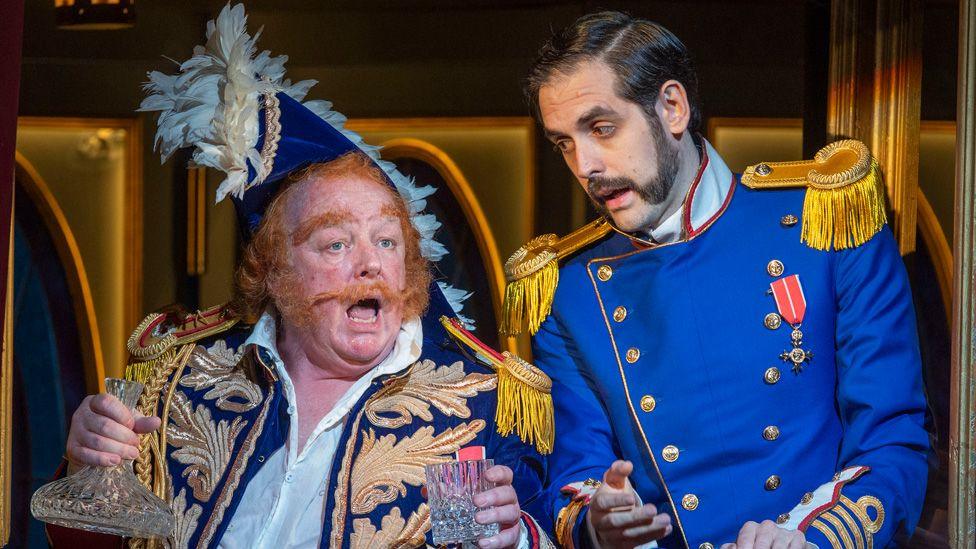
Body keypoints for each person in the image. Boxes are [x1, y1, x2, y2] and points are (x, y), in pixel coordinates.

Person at [49, 4, 554, 548]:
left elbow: (511, 532)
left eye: (388, 241)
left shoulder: (482, 402)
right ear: (274, 271)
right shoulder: (180, 381)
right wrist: (83, 471)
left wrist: (515, 539)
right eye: (336, 243)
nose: (371, 263)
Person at [507, 11, 929, 549]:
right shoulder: (568, 292)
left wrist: (817, 541)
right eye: (563, 142)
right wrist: (597, 521)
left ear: (673, 108)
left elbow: (893, 439)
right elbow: (577, 472)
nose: (584, 164)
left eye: (602, 128)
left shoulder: (824, 223)